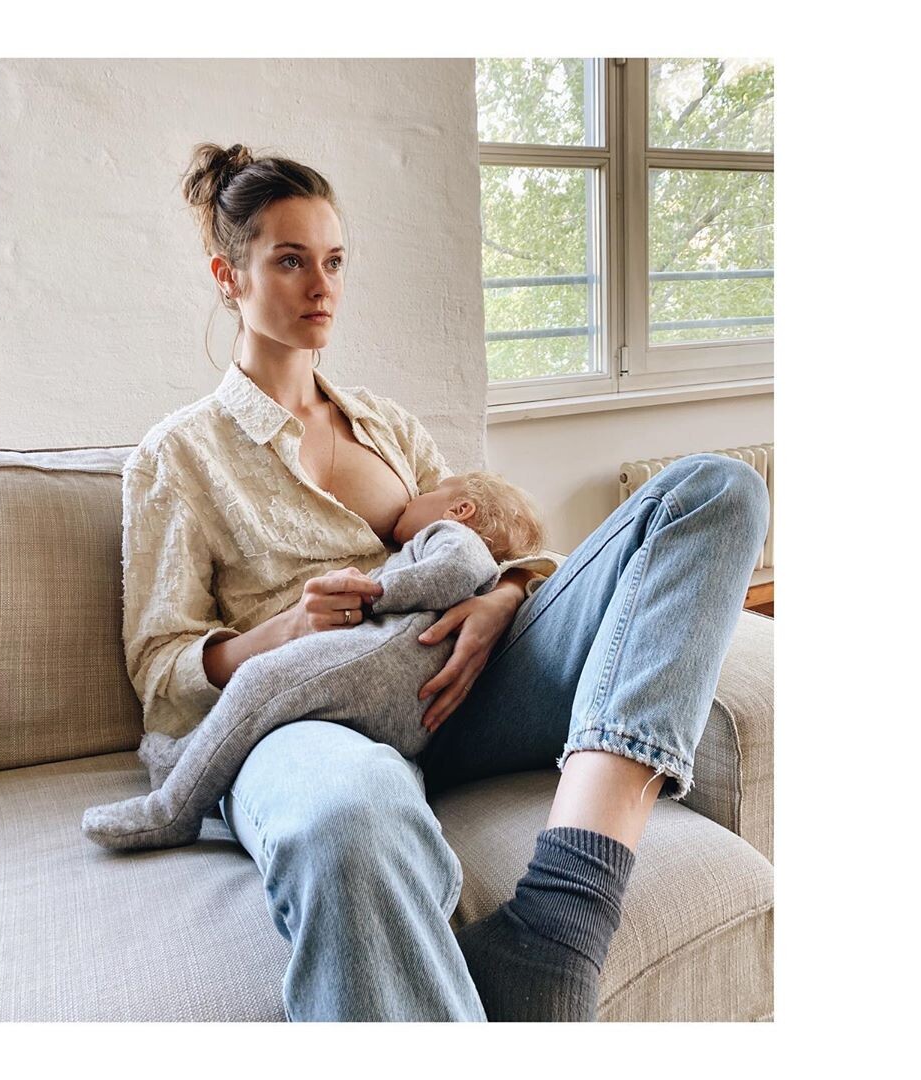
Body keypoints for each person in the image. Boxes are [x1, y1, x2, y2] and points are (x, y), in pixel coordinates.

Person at [121, 142, 770, 1022]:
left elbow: (497, 546)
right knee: (347, 820)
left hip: (462, 692)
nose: (322, 286)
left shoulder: (387, 424)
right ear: (228, 276)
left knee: (717, 490)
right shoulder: (178, 455)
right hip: (310, 722)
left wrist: (502, 599)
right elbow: (160, 670)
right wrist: (286, 630)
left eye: (334, 262)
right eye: (291, 261)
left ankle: (561, 920)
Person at [83, 471, 547, 851]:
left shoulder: (450, 535)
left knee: (260, 680)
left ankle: (172, 810)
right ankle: (184, 757)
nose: (411, 498)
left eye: (428, 493)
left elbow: (457, 571)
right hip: (408, 706)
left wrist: (373, 595)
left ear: (460, 510)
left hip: (382, 663)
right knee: (269, 703)